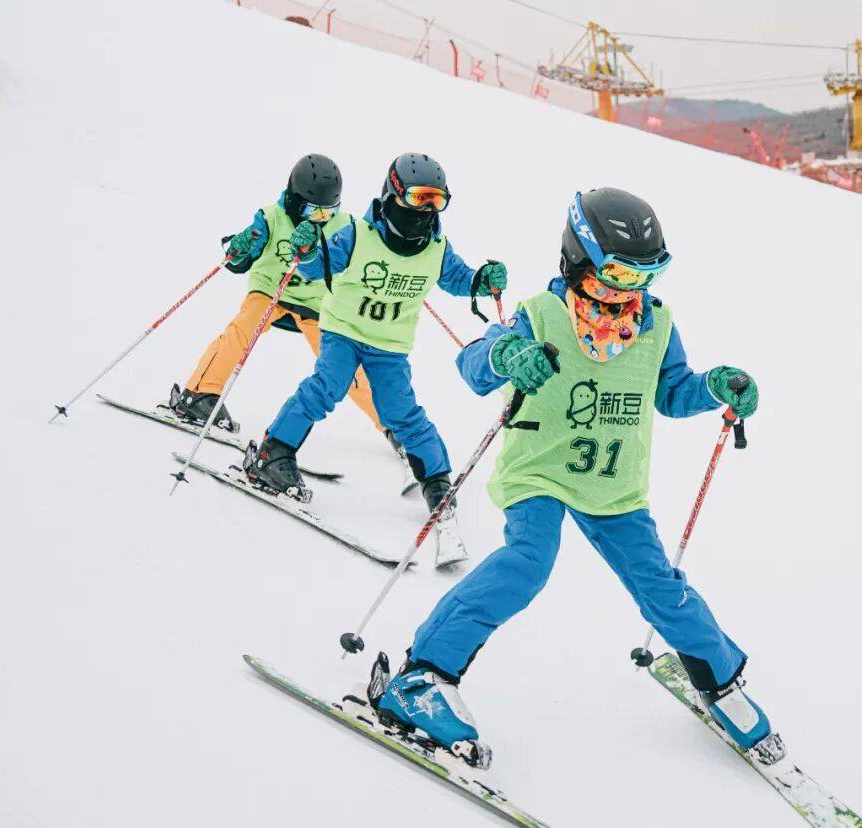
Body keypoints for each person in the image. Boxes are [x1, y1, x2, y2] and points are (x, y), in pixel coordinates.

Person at [375, 187, 771, 767]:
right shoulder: (540, 313)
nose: (627, 290)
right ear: (579, 256)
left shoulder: (656, 324)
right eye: (615, 272)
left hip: (615, 487)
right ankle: (423, 678)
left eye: (644, 275)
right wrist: (506, 358)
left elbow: (671, 389)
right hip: (541, 473)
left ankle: (720, 679)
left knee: (661, 586)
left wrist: (712, 387)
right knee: (526, 565)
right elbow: (474, 362)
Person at [243, 152, 508, 515]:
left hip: (389, 346)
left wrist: (481, 281)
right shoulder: (357, 236)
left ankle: (436, 480)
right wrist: (303, 250)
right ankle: (274, 453)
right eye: (419, 198)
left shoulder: (436, 248)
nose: (427, 210)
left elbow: (458, 279)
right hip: (344, 331)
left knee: (401, 412)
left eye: (437, 200)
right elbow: (315, 266)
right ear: (395, 194)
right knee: (327, 387)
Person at [172, 154, 386, 443]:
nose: (320, 218)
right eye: (313, 210)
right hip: (270, 290)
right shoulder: (272, 217)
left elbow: (363, 252)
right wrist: (241, 247)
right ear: (296, 199)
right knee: (242, 329)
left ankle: (392, 427)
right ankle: (200, 394)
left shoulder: (345, 225)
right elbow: (238, 260)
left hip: (315, 303)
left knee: (344, 362)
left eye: (328, 212)